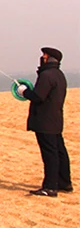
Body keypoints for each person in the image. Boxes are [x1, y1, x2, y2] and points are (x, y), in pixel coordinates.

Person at [16, 47, 72, 196]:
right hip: (55, 120)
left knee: (50, 154)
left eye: (44, 55)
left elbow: (38, 97)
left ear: (49, 58)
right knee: (59, 151)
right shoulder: (59, 74)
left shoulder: (47, 75)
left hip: (45, 121)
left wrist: (24, 92)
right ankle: (64, 183)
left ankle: (50, 187)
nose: (42, 57)